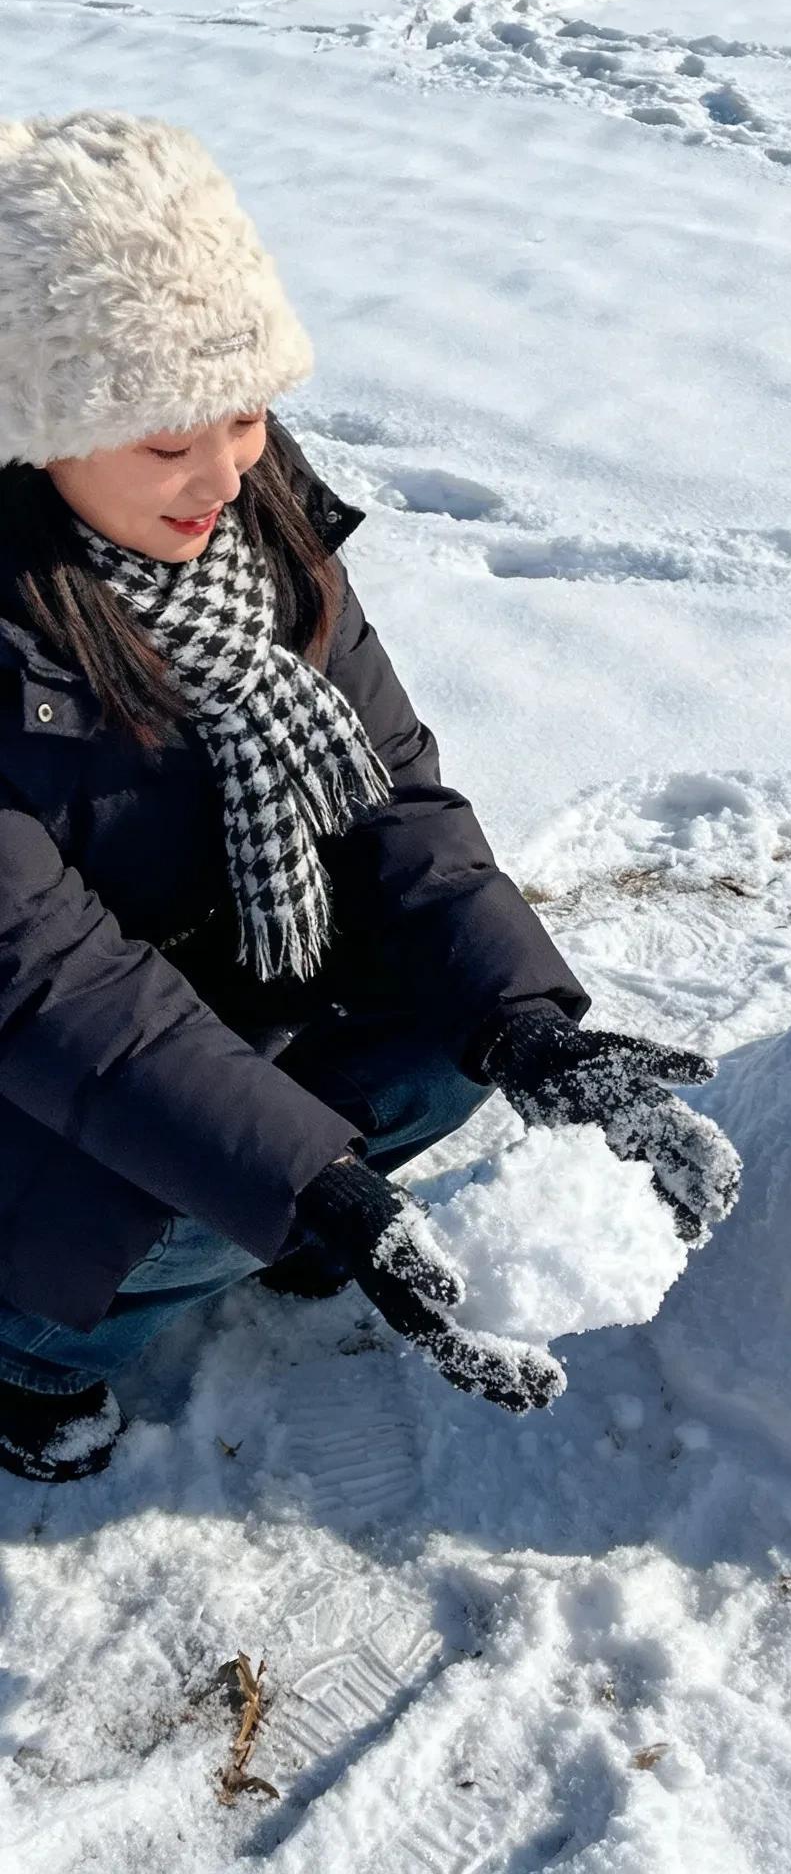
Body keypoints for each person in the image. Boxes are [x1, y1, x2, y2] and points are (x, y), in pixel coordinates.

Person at [0, 110, 742, 1483]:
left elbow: (391, 802)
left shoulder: (254, 534)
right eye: (169, 442)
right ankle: (32, 1351)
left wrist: (527, 1027)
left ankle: (239, 1232)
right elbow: (56, 996)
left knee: (436, 1045)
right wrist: (313, 1183)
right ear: (40, 428)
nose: (225, 476)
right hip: (38, 1073)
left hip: (211, 993)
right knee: (189, 1184)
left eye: (246, 412)